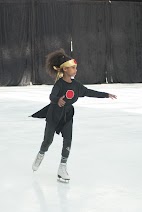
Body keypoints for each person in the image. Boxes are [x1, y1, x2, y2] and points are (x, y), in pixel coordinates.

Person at [31, 49, 117, 183]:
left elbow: (88, 92)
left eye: (75, 67)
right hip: (54, 115)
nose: (76, 70)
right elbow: (52, 96)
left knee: (68, 140)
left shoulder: (76, 86)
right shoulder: (59, 84)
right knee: (48, 141)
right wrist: (57, 100)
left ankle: (62, 168)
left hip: (67, 116)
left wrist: (105, 94)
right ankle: (41, 154)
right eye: (73, 68)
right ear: (65, 69)